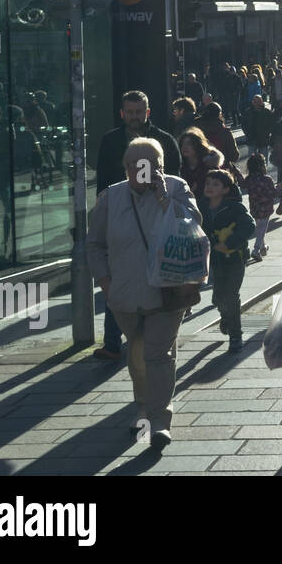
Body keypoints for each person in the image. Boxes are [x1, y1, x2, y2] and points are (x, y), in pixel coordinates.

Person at [86, 138, 196, 451]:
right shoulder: (111, 196)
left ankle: (159, 420)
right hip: (124, 295)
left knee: (157, 354)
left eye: (153, 165)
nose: (145, 172)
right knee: (137, 356)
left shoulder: (176, 188)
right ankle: (143, 407)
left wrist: (164, 198)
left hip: (167, 292)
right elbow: (94, 244)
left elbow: (193, 227)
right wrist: (105, 281)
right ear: (127, 168)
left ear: (161, 166)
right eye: (138, 166)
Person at [93, 90, 182, 362]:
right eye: (129, 112)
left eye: (138, 111)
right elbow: (103, 183)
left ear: (148, 112)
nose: (134, 116)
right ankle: (113, 342)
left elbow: (176, 178)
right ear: (122, 113)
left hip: (156, 223)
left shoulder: (164, 140)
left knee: (156, 287)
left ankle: (158, 342)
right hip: (122, 218)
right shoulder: (111, 141)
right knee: (119, 278)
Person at [200, 168, 255, 352]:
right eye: (208, 183)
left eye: (215, 184)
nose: (210, 187)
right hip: (214, 260)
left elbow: (249, 226)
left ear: (225, 189)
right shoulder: (201, 207)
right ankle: (226, 317)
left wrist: (230, 242)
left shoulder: (234, 207)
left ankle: (235, 336)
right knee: (218, 298)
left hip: (234, 259)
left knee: (231, 296)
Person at [243, 153, 279, 260]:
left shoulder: (249, 179)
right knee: (262, 229)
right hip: (266, 207)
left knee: (260, 228)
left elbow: (243, 185)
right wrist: (280, 189)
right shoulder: (267, 179)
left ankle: (263, 247)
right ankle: (256, 249)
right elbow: (273, 193)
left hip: (254, 207)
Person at [195, 102, 240, 170]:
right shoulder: (225, 132)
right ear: (219, 114)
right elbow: (234, 156)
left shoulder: (196, 130)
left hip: (201, 170)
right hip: (222, 170)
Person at [243, 94, 275, 161]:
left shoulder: (267, 112)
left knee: (264, 160)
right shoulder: (247, 112)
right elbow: (243, 124)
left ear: (262, 102)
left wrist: (267, 133)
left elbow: (271, 124)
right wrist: (247, 133)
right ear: (252, 102)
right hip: (252, 139)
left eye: (259, 101)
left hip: (263, 139)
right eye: (255, 101)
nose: (257, 103)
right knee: (251, 160)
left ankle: (263, 171)